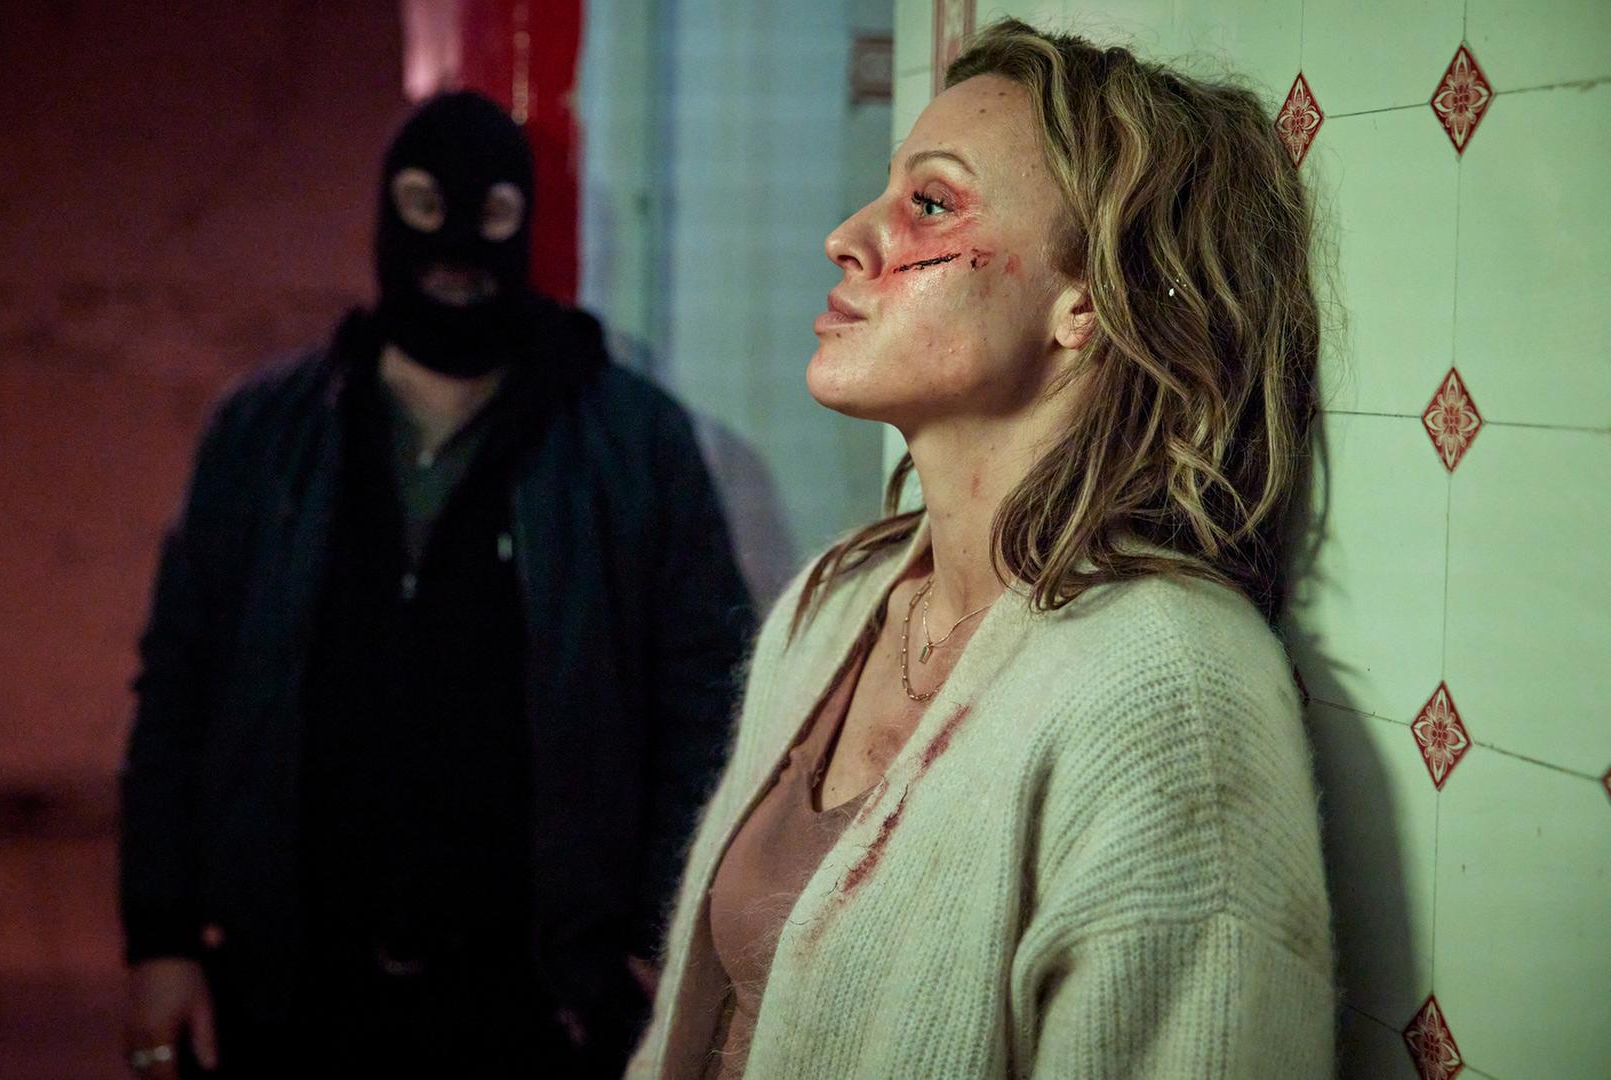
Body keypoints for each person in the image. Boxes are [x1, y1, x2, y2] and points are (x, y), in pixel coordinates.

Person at [630, 20, 1334, 1079]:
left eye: (930, 203)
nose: (845, 238)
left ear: (1086, 303)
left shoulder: (1174, 690)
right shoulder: (838, 600)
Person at [119, 91, 754, 1079]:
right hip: (291, 998)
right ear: (387, 214)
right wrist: (162, 936)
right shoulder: (262, 436)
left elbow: (709, 703)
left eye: (489, 215)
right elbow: (179, 687)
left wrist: (660, 945)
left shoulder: (632, 445)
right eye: (426, 208)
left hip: (543, 1009)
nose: (456, 249)